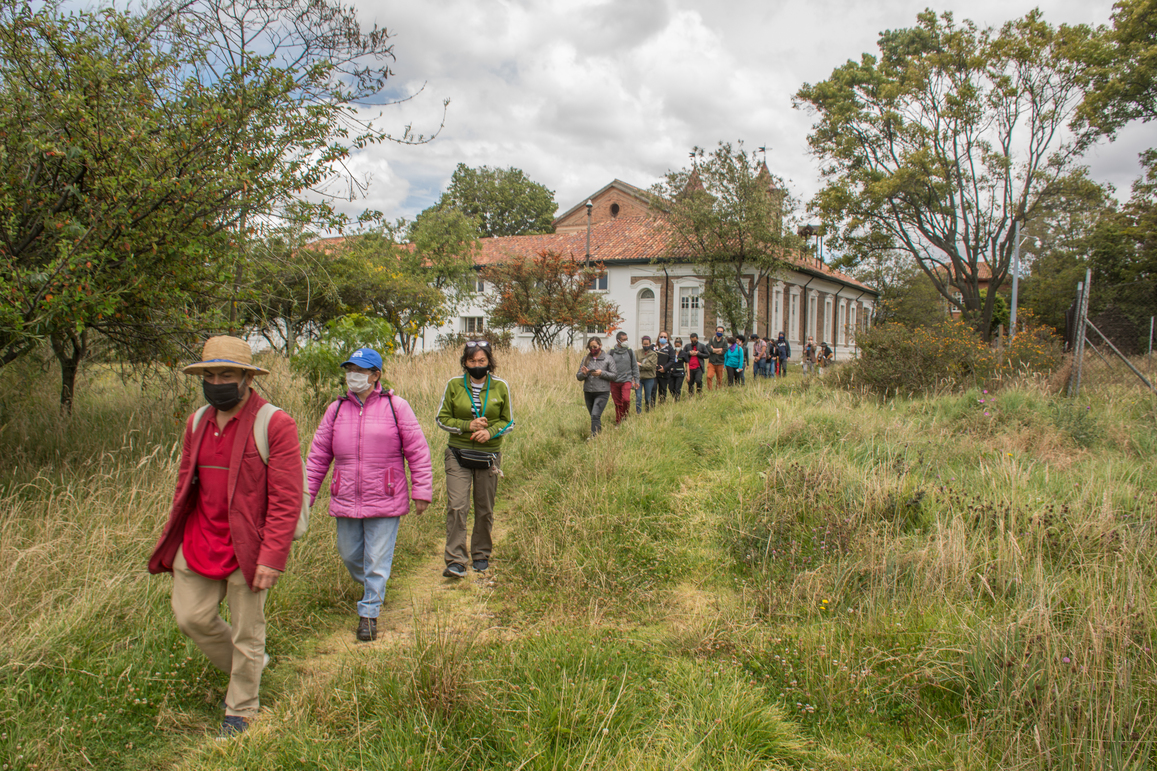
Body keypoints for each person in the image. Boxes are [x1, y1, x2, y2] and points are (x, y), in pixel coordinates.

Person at [148, 336, 303, 738]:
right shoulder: (197, 422)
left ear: (248, 378)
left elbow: (286, 499)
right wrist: (172, 539)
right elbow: (185, 485)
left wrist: (272, 555)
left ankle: (242, 708)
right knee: (191, 618)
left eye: (227, 374)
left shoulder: (275, 423)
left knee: (247, 631)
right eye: (210, 374)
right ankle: (252, 666)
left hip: (248, 544)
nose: (217, 382)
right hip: (199, 538)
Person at [306, 348, 432, 642]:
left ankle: (369, 613)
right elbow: (318, 456)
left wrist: (421, 490)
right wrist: (305, 496)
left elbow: (417, 451)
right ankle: (375, 588)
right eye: (350, 369)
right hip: (346, 495)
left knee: (377, 558)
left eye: (361, 371)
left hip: (386, 495)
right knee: (350, 555)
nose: (354, 376)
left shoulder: (396, 407)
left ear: (376, 375)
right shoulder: (335, 410)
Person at [435, 341, 515, 578]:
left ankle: (481, 554)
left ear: (489, 362)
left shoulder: (500, 386)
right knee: (457, 506)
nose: (477, 365)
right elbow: (441, 418)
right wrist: (465, 426)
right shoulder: (454, 385)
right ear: (465, 363)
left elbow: (508, 421)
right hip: (457, 453)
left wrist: (490, 432)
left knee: (484, 508)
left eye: (481, 361)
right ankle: (455, 561)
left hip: (488, 455)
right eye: (472, 361)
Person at [577, 336, 617, 436]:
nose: (593, 350)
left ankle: (594, 438)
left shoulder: (608, 358)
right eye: (590, 348)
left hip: (602, 392)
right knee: (594, 416)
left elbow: (614, 375)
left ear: (600, 345)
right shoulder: (586, 359)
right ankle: (598, 435)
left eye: (595, 347)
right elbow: (578, 376)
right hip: (588, 392)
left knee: (595, 415)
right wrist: (584, 373)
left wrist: (601, 373)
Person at [607, 331, 639, 425]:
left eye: (626, 339)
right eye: (623, 339)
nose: (626, 341)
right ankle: (619, 421)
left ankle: (624, 415)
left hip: (626, 379)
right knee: (617, 403)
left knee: (626, 399)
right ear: (618, 340)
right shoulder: (611, 352)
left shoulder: (629, 351)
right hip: (614, 381)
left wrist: (636, 380)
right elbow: (606, 365)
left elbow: (634, 366)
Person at [635, 335, 658, 413]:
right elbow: (634, 364)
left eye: (647, 344)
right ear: (642, 344)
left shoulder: (653, 355)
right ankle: (638, 413)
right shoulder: (637, 353)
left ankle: (647, 411)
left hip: (649, 378)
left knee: (648, 397)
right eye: (644, 344)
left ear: (650, 344)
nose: (646, 346)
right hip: (639, 378)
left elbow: (651, 366)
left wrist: (640, 364)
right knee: (638, 397)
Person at [654, 331, 676, 403]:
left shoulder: (670, 349)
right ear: (658, 337)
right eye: (661, 337)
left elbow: (672, 360)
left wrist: (665, 368)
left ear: (667, 338)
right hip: (654, 373)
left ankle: (662, 405)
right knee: (653, 389)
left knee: (662, 390)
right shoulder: (654, 347)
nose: (663, 338)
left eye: (665, 337)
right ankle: (652, 405)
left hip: (664, 373)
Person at [705, 326, 727, 390]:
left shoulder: (724, 341)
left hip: (720, 362)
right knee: (709, 376)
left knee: (719, 379)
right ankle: (710, 390)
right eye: (718, 331)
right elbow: (710, 349)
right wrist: (719, 349)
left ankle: (718, 390)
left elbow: (724, 350)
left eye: (721, 331)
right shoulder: (711, 340)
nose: (719, 332)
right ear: (715, 331)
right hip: (712, 362)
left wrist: (714, 349)